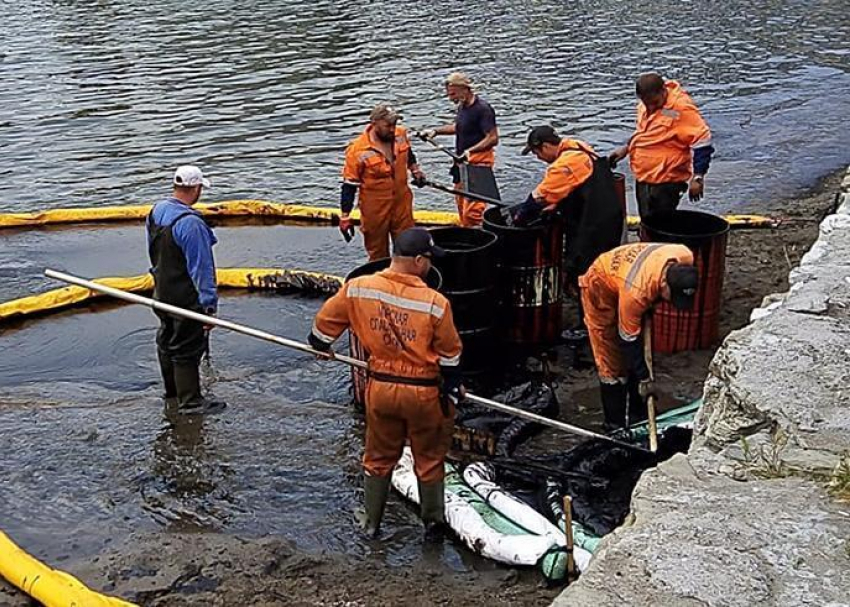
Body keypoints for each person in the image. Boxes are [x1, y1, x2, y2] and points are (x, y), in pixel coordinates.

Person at [308, 228, 463, 538]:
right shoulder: (435, 302)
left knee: (378, 458)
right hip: (423, 393)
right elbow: (450, 355)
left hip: (380, 389)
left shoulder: (358, 289)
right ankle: (433, 525)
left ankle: (371, 523)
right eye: (430, 260)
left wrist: (322, 347)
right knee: (430, 459)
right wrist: (454, 387)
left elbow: (322, 329)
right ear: (418, 261)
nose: (431, 266)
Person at [578, 242, 698, 431]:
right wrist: (644, 378)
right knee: (610, 356)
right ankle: (614, 424)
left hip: (629, 276)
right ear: (664, 283)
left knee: (637, 349)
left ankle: (639, 416)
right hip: (600, 283)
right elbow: (628, 339)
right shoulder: (636, 292)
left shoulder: (685, 255)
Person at [147, 165, 225, 415]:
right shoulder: (191, 224)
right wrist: (209, 307)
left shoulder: (157, 210)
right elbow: (202, 269)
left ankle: (172, 392)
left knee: (167, 340)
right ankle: (190, 401)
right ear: (197, 188)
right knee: (187, 347)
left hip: (162, 290)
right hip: (185, 297)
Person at [513, 126, 624, 291]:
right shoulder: (577, 146)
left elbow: (539, 197)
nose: (539, 158)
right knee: (604, 266)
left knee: (588, 270)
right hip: (610, 215)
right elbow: (577, 184)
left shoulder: (565, 164)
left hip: (594, 224)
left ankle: (589, 307)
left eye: (537, 154)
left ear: (545, 146)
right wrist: (558, 204)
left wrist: (520, 217)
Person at [608, 73, 715, 219]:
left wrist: (698, 177)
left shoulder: (677, 111)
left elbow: (702, 140)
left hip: (667, 180)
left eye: (655, 102)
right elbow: (646, 132)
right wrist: (626, 148)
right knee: (646, 219)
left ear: (663, 91)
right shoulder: (646, 107)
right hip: (644, 177)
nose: (651, 107)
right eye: (647, 103)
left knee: (661, 223)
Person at [339, 104, 426, 261]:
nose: (392, 129)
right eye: (388, 125)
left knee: (408, 245)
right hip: (375, 208)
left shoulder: (400, 134)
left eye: (394, 124)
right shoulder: (358, 150)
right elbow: (349, 185)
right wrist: (345, 216)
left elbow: (409, 154)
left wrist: (415, 170)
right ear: (374, 124)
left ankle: (406, 277)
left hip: (402, 202)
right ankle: (381, 279)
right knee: (377, 251)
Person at [420, 72, 499, 227]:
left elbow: (493, 138)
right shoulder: (462, 106)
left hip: (478, 163)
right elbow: (460, 127)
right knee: (460, 201)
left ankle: (479, 236)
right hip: (461, 162)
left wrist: (470, 151)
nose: (451, 98)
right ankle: (466, 230)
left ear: (465, 89)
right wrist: (435, 131)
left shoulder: (483, 109)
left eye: (453, 94)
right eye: (449, 95)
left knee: (473, 210)